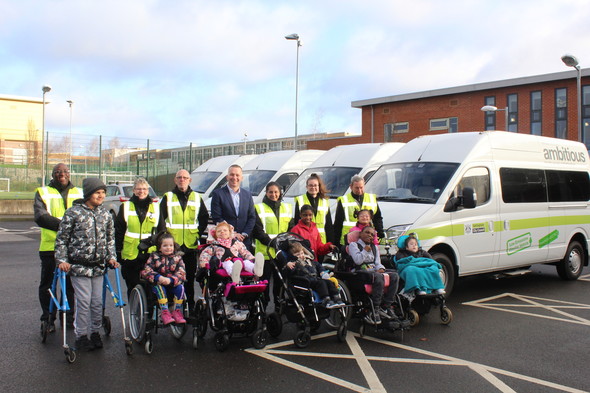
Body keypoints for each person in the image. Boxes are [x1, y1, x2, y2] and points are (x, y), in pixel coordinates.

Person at [55, 178, 119, 352]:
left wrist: (111, 257)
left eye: (103, 193)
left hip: (98, 266)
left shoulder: (105, 214)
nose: (101, 196)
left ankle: (95, 331)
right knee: (83, 301)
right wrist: (62, 260)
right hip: (78, 266)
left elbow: (110, 239)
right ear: (88, 194)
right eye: (97, 192)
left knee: (97, 302)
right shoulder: (73, 213)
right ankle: (81, 336)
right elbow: (62, 239)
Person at [34, 163, 82, 332]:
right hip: (50, 247)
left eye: (65, 171)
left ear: (69, 174)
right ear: (53, 174)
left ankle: (69, 318)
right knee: (48, 285)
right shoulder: (42, 192)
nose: (62, 174)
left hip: (73, 247)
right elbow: (41, 217)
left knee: (71, 285)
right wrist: (65, 226)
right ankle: (48, 318)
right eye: (58, 172)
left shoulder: (79, 193)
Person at [159, 169, 209, 310]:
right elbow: (161, 219)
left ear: (190, 180)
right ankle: (170, 305)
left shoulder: (196, 197)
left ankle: (190, 305)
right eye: (179, 177)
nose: (182, 180)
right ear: (175, 180)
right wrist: (165, 238)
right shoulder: (168, 197)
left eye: (185, 177)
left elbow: (203, 217)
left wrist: (197, 233)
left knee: (189, 277)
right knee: (170, 276)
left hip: (190, 244)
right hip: (172, 246)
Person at [115, 177, 164, 298]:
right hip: (131, 253)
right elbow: (119, 231)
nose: (141, 191)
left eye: (144, 189)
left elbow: (162, 230)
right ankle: (134, 312)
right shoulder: (125, 207)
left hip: (149, 252)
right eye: (138, 189)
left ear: (148, 190)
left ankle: (148, 314)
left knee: (150, 286)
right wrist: (118, 251)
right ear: (133, 190)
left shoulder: (156, 207)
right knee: (132, 286)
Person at [348, 226, 399, 325]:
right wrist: (365, 251)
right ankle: (375, 308)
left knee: (395, 275)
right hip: (360, 272)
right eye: (367, 232)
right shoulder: (353, 245)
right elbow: (358, 261)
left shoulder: (374, 247)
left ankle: (387, 306)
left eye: (372, 235)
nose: (369, 235)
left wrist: (381, 268)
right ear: (361, 234)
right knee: (378, 277)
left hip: (373, 270)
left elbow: (377, 262)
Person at [251, 182, 293, 302]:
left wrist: (283, 243)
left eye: (276, 192)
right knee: (264, 283)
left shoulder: (287, 208)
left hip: (281, 253)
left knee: (280, 283)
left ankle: (278, 305)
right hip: (265, 253)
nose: (273, 194)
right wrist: (272, 243)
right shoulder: (259, 208)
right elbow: (258, 231)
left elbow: (291, 228)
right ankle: (263, 307)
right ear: (266, 193)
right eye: (271, 192)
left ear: (280, 193)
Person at [140, 231, 187, 325]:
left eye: (171, 245)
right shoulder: (154, 256)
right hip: (158, 283)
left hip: (172, 283)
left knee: (181, 288)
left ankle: (177, 311)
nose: (168, 248)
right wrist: (158, 277)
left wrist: (172, 279)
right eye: (165, 245)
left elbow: (181, 272)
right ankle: (164, 312)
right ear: (160, 247)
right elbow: (147, 270)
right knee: (160, 289)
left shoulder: (178, 258)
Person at [199, 222, 264, 284]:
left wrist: (252, 259)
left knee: (246, 263)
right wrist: (204, 263)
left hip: (238, 261)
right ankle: (234, 274)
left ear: (230, 232)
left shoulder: (236, 242)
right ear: (215, 235)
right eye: (219, 231)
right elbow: (205, 254)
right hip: (223, 263)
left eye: (225, 230)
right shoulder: (214, 245)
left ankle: (255, 269)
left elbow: (245, 252)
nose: (222, 232)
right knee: (228, 264)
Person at [210, 165, 257, 250]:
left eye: (237, 175)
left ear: (241, 177)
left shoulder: (247, 195)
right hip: (225, 242)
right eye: (232, 175)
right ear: (227, 177)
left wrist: (244, 233)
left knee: (246, 263)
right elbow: (217, 217)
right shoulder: (218, 194)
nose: (234, 177)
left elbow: (252, 217)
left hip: (244, 241)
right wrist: (232, 234)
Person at [284, 242, 343, 309]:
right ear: (292, 255)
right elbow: (290, 272)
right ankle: (326, 300)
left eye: (302, 253)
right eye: (298, 255)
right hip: (304, 282)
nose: (301, 256)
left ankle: (336, 297)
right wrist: (289, 265)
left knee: (328, 282)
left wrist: (322, 272)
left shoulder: (309, 261)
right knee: (321, 283)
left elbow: (318, 266)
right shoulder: (293, 263)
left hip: (313, 279)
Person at [334, 175, 384, 246]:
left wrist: (380, 233)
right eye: (357, 188)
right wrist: (336, 241)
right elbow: (338, 222)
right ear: (351, 187)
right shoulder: (343, 200)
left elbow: (377, 218)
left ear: (364, 185)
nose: (359, 190)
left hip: (368, 238)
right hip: (350, 238)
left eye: (361, 187)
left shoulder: (372, 198)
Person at [293, 173, 334, 244]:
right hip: (306, 241)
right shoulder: (300, 200)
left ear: (319, 186)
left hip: (321, 241)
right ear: (306, 187)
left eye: (315, 185)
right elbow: (297, 222)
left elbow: (328, 225)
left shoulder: (325, 201)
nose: (313, 187)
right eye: (310, 185)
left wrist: (330, 243)